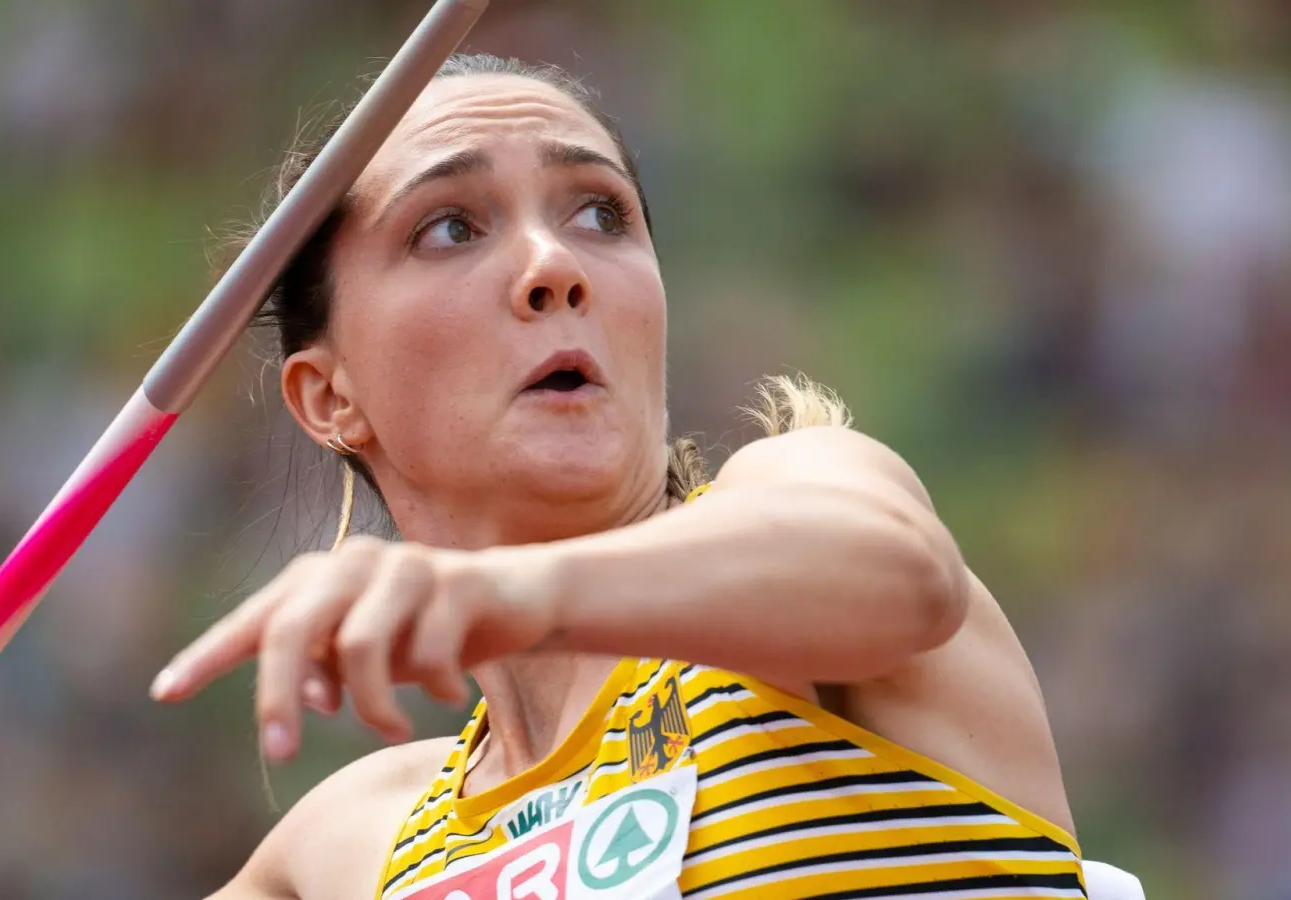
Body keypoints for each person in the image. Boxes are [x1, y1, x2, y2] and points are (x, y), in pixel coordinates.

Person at [152, 54, 1101, 900]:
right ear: (330, 396)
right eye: (449, 228)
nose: (554, 265)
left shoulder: (802, 505)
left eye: (601, 213)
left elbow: (903, 576)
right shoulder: (362, 848)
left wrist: (498, 592)